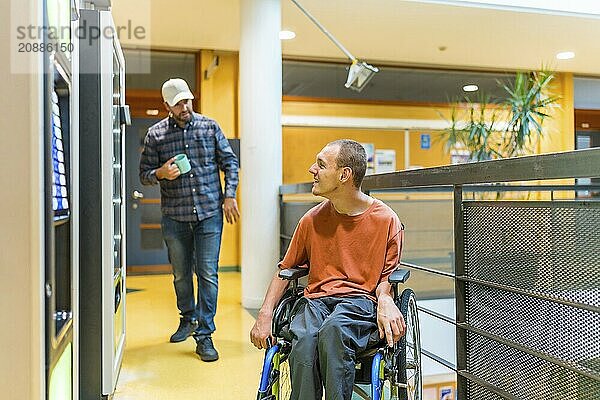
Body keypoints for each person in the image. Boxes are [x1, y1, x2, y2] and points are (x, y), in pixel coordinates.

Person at [250, 139, 406, 399]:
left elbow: (388, 275)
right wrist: (264, 315)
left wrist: (386, 298)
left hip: (360, 303)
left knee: (334, 331)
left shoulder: (386, 220)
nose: (312, 169)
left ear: (344, 175)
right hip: (316, 303)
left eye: (321, 165)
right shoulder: (311, 220)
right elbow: (285, 269)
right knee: (304, 339)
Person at [140, 78, 239, 362]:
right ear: (167, 106)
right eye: (179, 103)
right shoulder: (155, 135)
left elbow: (229, 162)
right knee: (182, 274)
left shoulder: (209, 127)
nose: (186, 107)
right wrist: (161, 173)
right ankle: (188, 317)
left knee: (207, 273)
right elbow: (144, 175)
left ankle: (205, 335)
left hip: (209, 214)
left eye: (188, 101)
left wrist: (229, 195)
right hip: (175, 216)